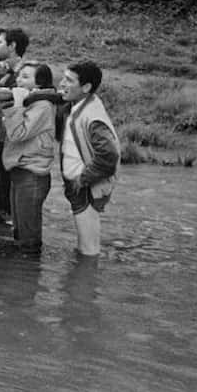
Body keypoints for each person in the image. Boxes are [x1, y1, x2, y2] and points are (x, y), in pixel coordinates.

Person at [0, 62, 58, 253]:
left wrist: (17, 106)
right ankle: (22, 278)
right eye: (19, 75)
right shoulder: (23, 104)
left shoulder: (43, 106)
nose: (18, 80)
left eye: (25, 77)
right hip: (18, 172)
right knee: (18, 231)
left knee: (28, 237)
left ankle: (29, 274)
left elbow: (18, 134)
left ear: (39, 84)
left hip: (33, 175)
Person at [56, 61, 120, 257]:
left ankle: (85, 283)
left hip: (87, 188)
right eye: (63, 78)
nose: (62, 84)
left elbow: (109, 157)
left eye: (69, 80)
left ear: (86, 87)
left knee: (89, 251)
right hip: (80, 185)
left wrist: (82, 180)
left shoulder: (92, 116)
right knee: (83, 248)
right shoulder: (79, 104)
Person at [0, 27, 29, 224]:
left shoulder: (24, 73)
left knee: (6, 182)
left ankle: (9, 220)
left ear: (12, 46)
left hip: (11, 136)